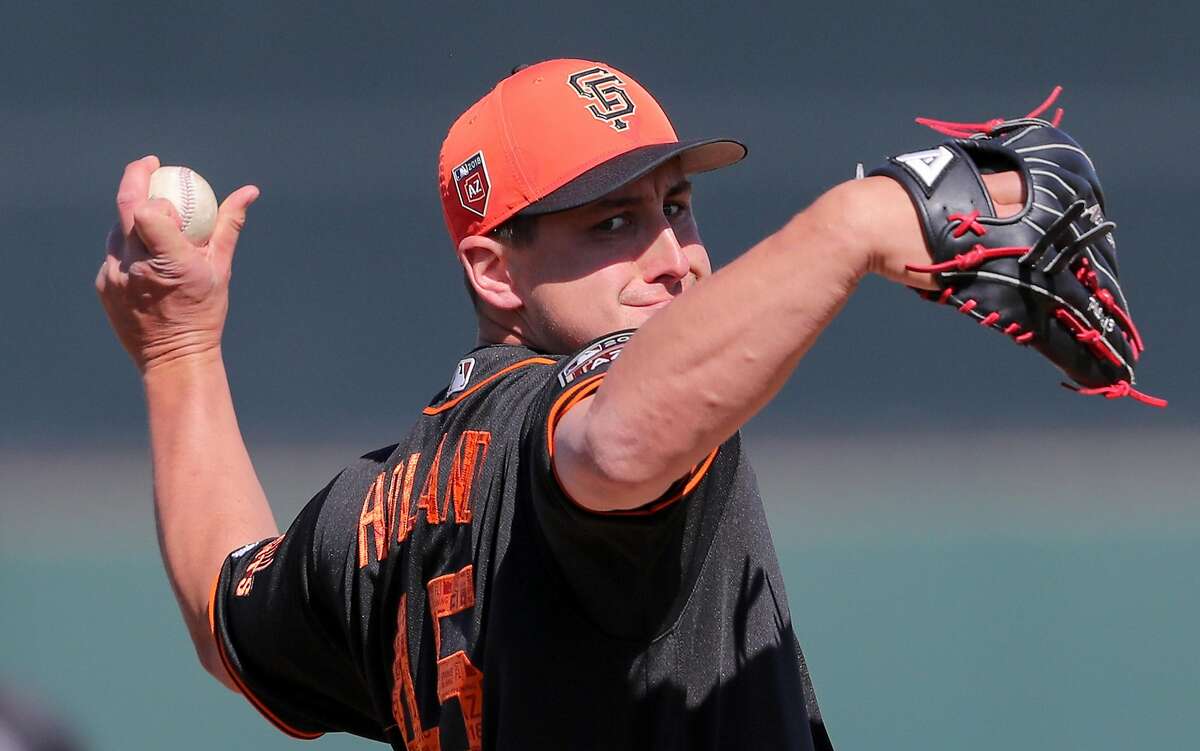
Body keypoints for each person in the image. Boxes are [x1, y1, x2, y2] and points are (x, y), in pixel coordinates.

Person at [95, 58, 1022, 750]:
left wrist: (177, 352)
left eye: (678, 205)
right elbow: (612, 444)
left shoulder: (366, 514)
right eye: (612, 223)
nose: (675, 255)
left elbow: (228, 606)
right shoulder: (596, 402)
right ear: (495, 272)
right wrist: (853, 223)